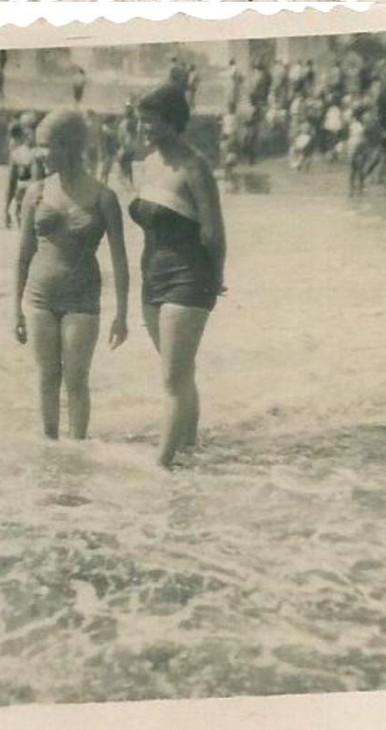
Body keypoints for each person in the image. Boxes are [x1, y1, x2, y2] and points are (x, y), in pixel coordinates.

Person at [14, 108, 129, 441]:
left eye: (46, 146)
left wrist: (121, 315)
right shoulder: (35, 194)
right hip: (38, 299)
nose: (40, 153)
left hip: (83, 300)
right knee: (46, 378)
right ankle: (50, 454)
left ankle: (77, 455)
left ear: (70, 146)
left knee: (76, 380)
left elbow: (120, 262)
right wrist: (15, 311)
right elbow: (22, 256)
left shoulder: (104, 198)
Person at [129, 85, 225, 469]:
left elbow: (214, 233)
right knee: (180, 371)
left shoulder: (195, 167)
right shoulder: (149, 162)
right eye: (141, 119)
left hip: (190, 278)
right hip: (152, 279)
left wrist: (215, 279)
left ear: (173, 121)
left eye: (152, 120)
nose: (144, 127)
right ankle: (187, 448)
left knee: (172, 377)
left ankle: (161, 466)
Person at [4, 123, 37, 227]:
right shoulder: (17, 153)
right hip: (24, 202)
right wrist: (6, 208)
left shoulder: (46, 153)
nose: (30, 134)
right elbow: (11, 182)